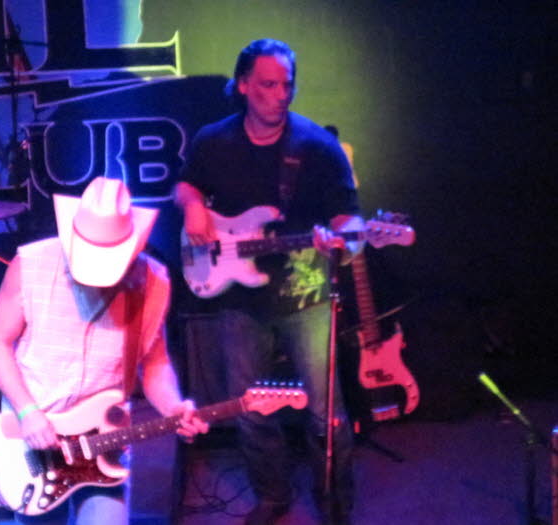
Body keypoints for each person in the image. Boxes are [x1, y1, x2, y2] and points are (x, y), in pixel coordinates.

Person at [174, 39, 363, 524]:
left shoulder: (317, 146)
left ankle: (335, 500)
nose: (281, 95)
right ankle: (274, 495)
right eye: (268, 85)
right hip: (239, 299)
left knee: (325, 412)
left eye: (287, 85)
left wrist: (343, 240)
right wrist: (193, 205)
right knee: (250, 408)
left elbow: (349, 221)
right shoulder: (214, 141)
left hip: (305, 296)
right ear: (243, 86)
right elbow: (186, 184)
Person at [0, 176, 209, 524]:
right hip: (35, 430)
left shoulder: (154, 281)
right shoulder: (31, 265)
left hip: (105, 437)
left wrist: (172, 405)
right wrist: (27, 411)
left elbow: (155, 361)